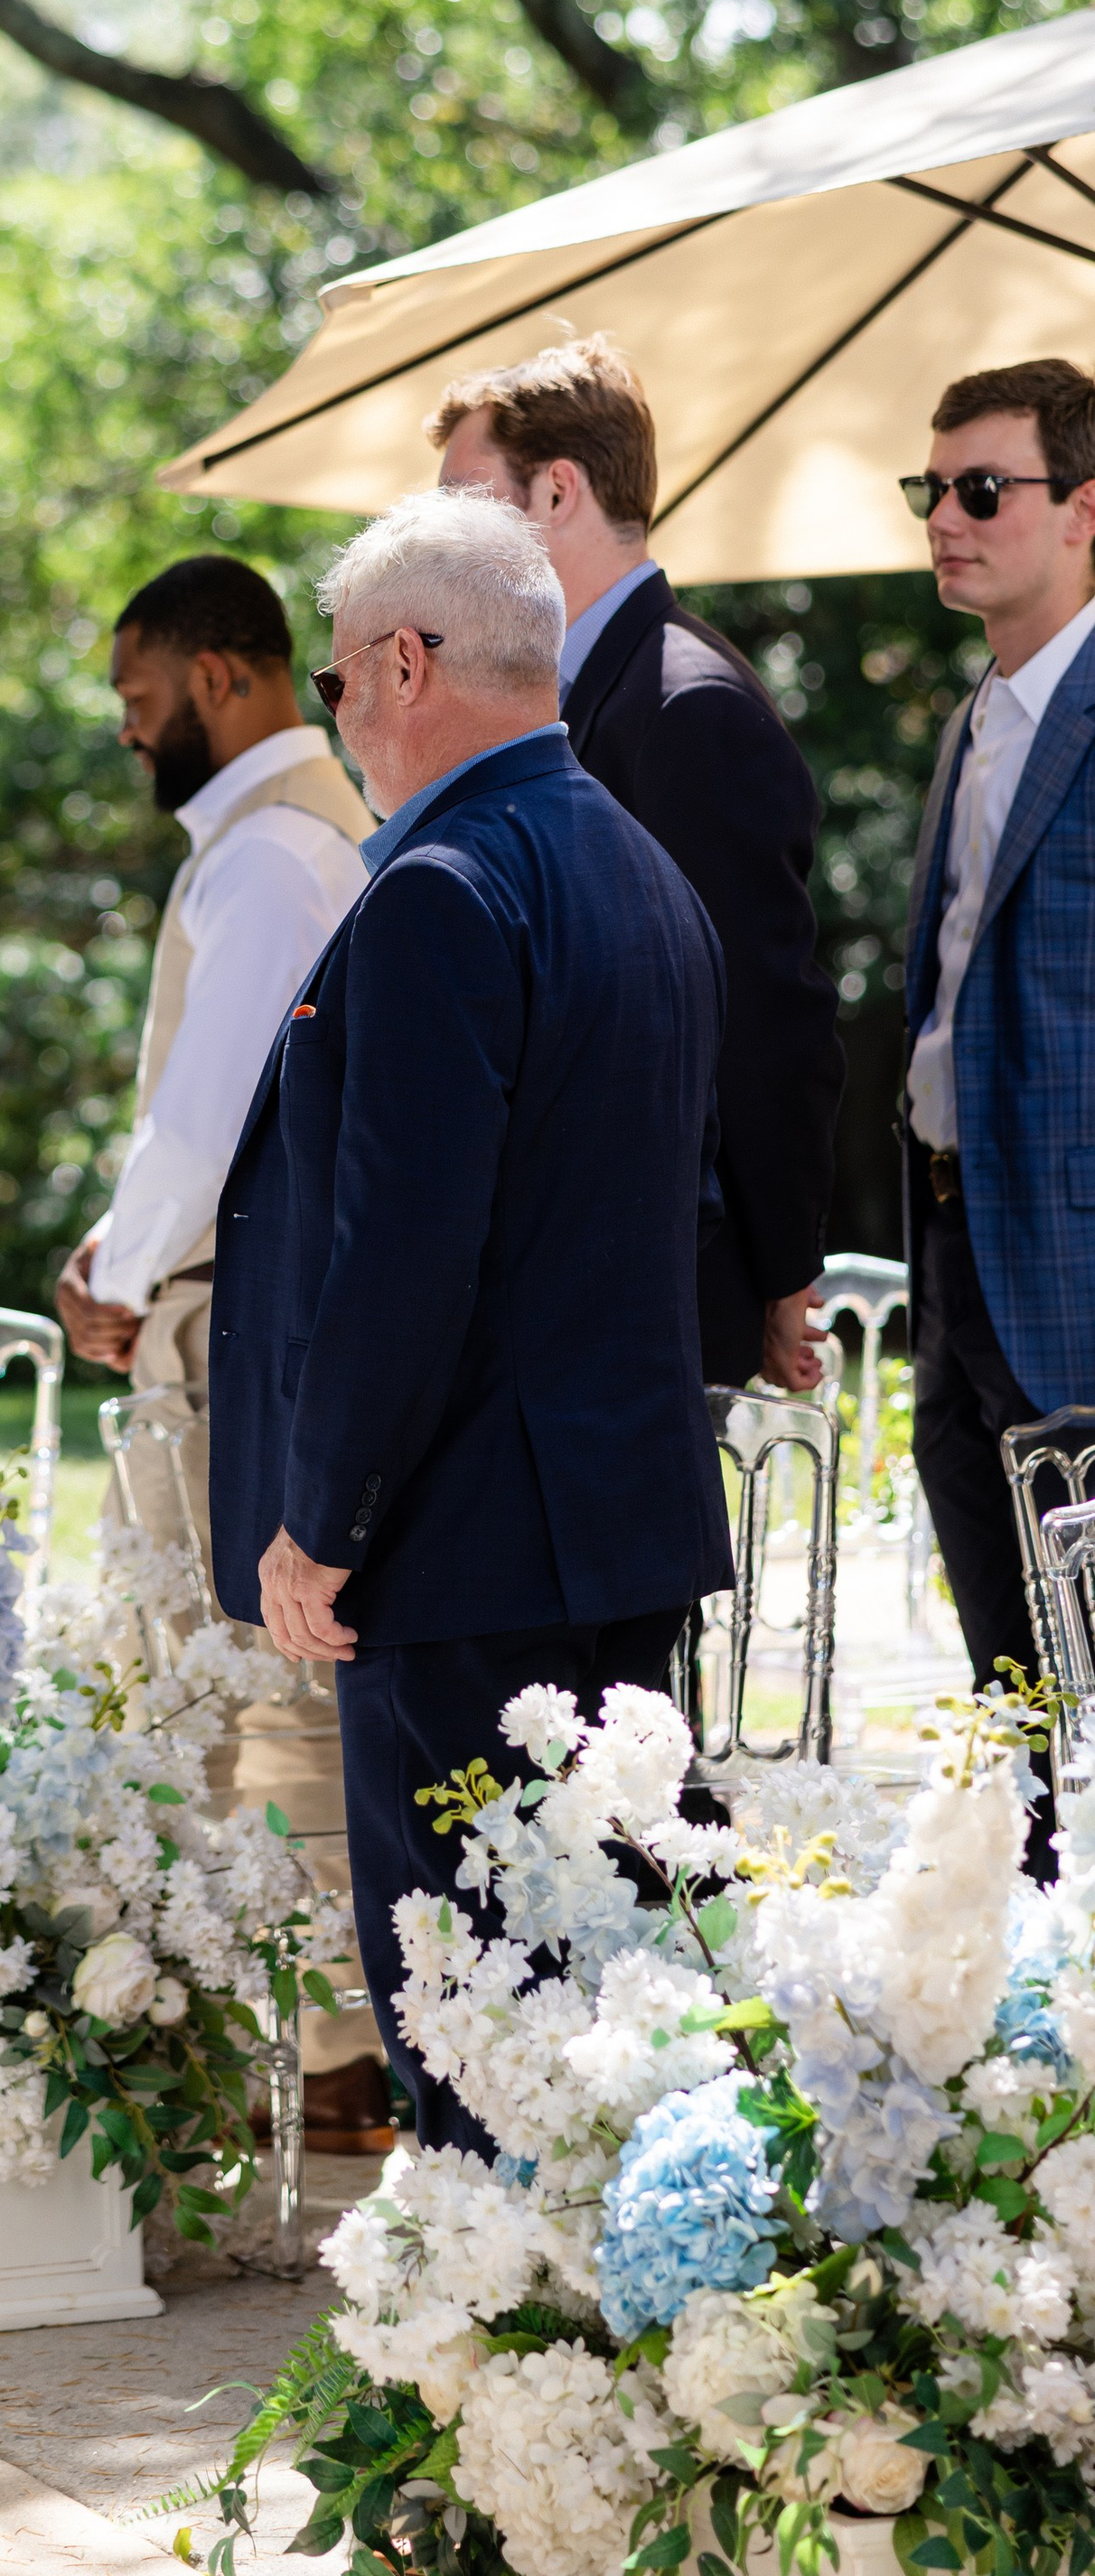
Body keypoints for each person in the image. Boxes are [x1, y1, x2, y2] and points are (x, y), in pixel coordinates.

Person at [207, 490, 731, 2150]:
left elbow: (403, 1252)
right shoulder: (641, 868)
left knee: (468, 2015)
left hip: (459, 1550)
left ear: (406, 661)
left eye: (342, 677)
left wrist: (323, 1522)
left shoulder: (441, 884)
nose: (338, 715)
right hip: (615, 1533)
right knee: (607, 1999)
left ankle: (493, 2380)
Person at [54, 553, 379, 2113]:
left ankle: (330, 2057)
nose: (128, 728)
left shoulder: (270, 853)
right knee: (220, 1675)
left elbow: (210, 1115)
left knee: (249, 1683)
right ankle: (300, 2043)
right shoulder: (285, 832)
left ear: (223, 675)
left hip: (227, 1330)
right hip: (223, 1307)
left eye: (140, 694)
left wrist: (116, 1270)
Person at [431, 335, 843, 1394]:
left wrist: (777, 1270)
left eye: (467, 504)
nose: (439, 539)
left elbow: (761, 1016)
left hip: (649, 1287)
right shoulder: (586, 696)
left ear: (556, 491)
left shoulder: (685, 709)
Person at [902, 359, 1095, 1729]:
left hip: (1073, 1266)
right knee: (1009, 1694)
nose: (946, 518)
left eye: (983, 488)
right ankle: (1041, 1934)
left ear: (1085, 509)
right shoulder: (975, 721)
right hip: (954, 1240)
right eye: (933, 489)